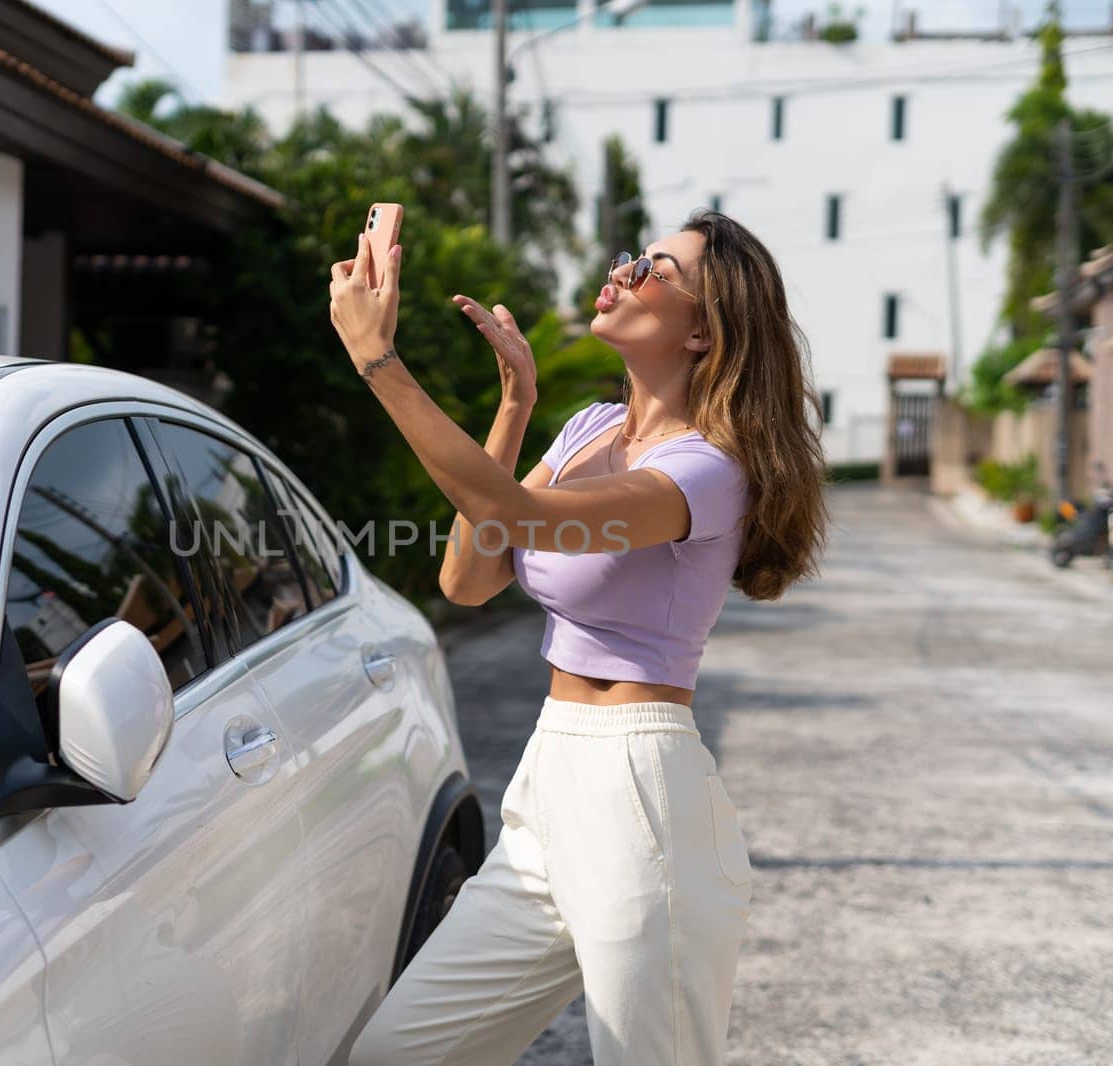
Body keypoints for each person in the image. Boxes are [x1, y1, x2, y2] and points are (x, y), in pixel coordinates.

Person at [327, 209, 830, 1066]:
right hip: (549, 782)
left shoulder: (708, 469)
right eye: (632, 256)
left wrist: (381, 363)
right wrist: (515, 406)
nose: (625, 270)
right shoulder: (592, 429)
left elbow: (515, 513)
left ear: (703, 329)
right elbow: (470, 577)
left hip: (642, 795)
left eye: (656, 269)